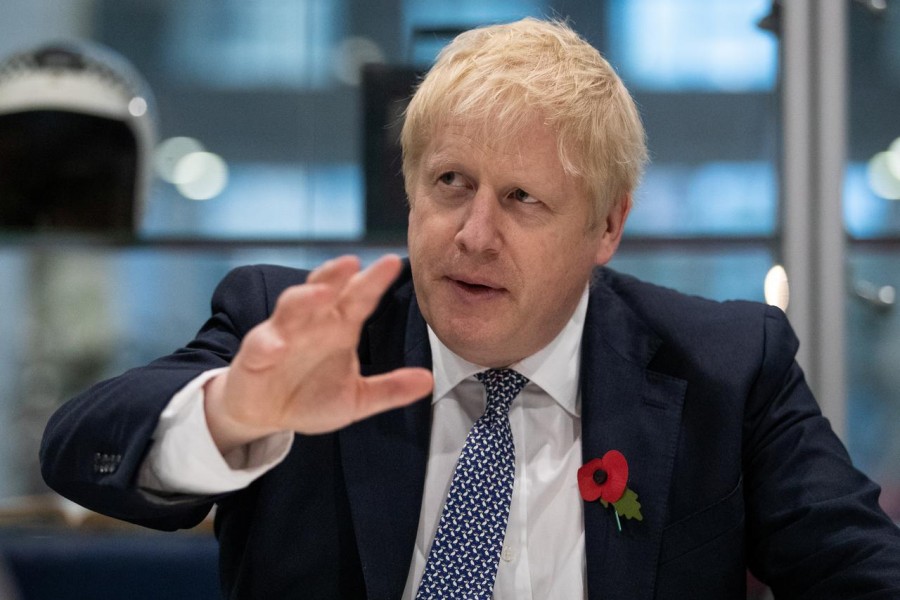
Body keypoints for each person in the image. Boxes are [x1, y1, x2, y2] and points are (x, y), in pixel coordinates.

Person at [40, 18, 900, 599]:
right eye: (451, 184)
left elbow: (862, 569)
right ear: (411, 189)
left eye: (524, 199)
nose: (474, 235)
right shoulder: (302, 329)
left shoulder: (724, 366)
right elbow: (79, 449)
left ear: (609, 224)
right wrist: (234, 411)